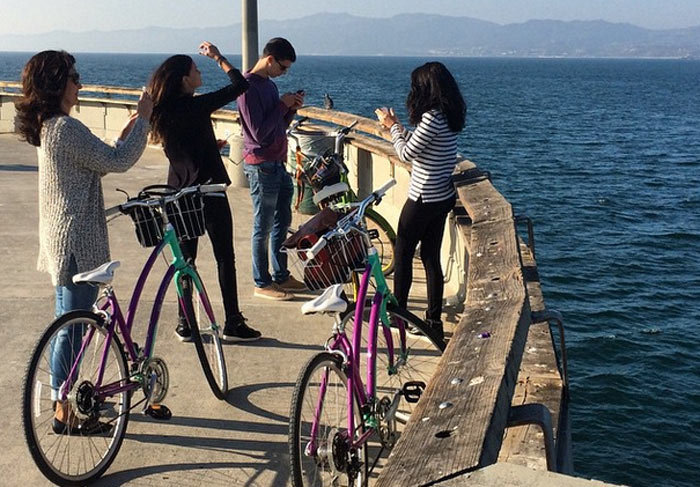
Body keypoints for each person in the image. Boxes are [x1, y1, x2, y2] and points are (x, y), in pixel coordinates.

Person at [16, 50, 152, 433]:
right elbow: (120, 162)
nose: (80, 84)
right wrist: (143, 119)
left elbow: (98, 157)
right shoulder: (65, 128)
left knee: (67, 326)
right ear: (57, 83)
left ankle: (67, 401)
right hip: (79, 243)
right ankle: (64, 410)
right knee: (72, 331)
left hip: (61, 240)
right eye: (74, 77)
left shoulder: (51, 126)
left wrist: (123, 134)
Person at [148, 41, 261, 343]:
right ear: (185, 79)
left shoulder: (162, 111)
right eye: (196, 70)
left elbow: (183, 147)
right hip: (209, 192)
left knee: (186, 261)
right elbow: (240, 85)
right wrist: (218, 58)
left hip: (179, 195)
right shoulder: (196, 105)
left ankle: (186, 322)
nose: (200, 73)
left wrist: (211, 148)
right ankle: (233, 323)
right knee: (224, 257)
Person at [375, 62, 466, 342]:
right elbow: (422, 149)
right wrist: (399, 128)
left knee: (402, 255)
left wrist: (392, 127)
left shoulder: (432, 118)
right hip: (442, 197)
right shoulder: (450, 117)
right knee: (430, 258)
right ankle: (432, 321)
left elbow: (406, 153)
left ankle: (398, 317)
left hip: (422, 197)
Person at [237, 37, 308, 301]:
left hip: (278, 163)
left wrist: (289, 110)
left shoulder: (269, 86)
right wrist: (282, 105)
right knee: (263, 226)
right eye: (283, 67)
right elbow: (257, 134)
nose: (284, 72)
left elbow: (276, 126)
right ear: (270, 60)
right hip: (261, 165)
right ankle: (261, 282)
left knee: (282, 221)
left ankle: (280, 275)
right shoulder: (246, 88)